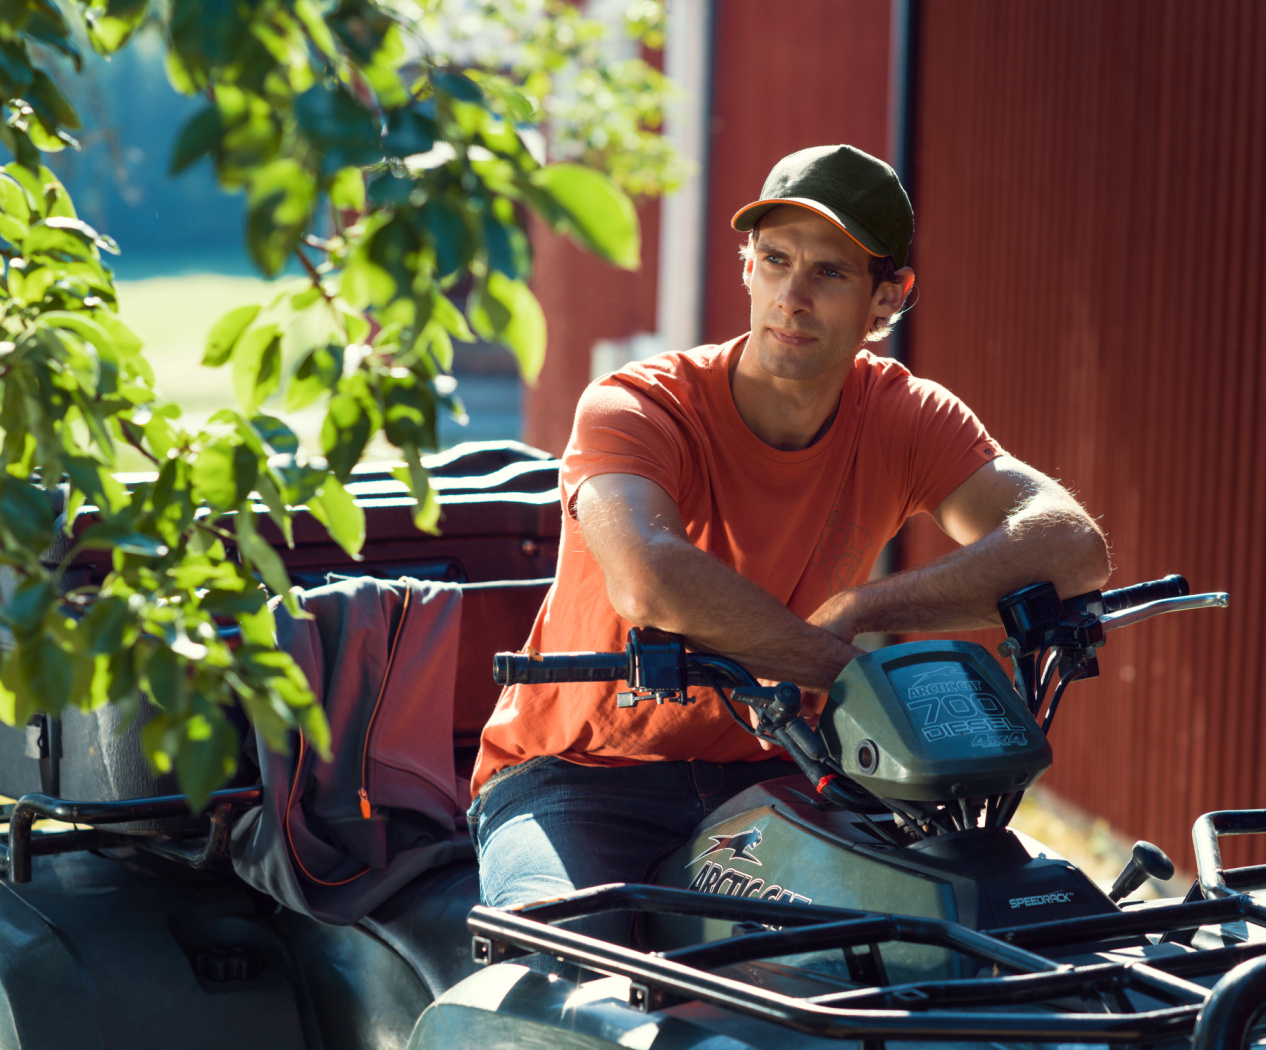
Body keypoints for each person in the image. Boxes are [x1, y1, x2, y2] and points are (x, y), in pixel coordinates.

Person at [467, 144, 1111, 948]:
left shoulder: (902, 416)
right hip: (581, 777)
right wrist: (838, 665)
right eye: (775, 260)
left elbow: (1070, 546)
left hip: (778, 762)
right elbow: (649, 580)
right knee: (558, 971)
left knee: (936, 947)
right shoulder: (637, 405)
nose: (793, 297)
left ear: (889, 296)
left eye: (830, 273)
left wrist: (869, 606)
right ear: (747, 269)